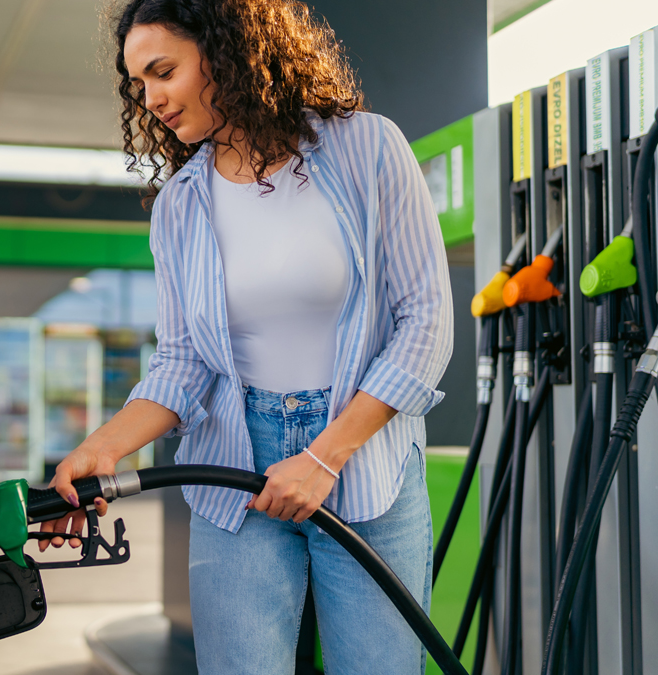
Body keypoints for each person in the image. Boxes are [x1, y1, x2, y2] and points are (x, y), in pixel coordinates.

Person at [38, 0, 454, 672]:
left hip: (365, 459)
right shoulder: (180, 206)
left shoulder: (368, 149)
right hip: (235, 464)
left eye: (163, 71)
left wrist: (322, 457)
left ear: (225, 49)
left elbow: (426, 323)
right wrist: (101, 448)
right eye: (138, 84)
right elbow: (182, 363)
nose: (152, 100)